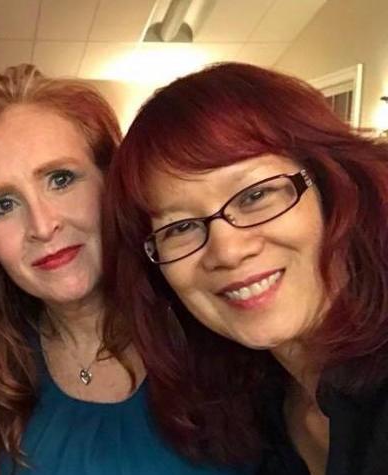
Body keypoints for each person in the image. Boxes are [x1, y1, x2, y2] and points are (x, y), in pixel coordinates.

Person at [0, 63, 243, 475]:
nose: (43, 225)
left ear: (111, 183)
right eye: (3, 205)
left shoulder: (218, 324)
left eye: (61, 179)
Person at [105, 62, 388, 475]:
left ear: (335, 188)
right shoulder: (257, 406)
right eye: (180, 227)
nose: (228, 251)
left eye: (255, 196)